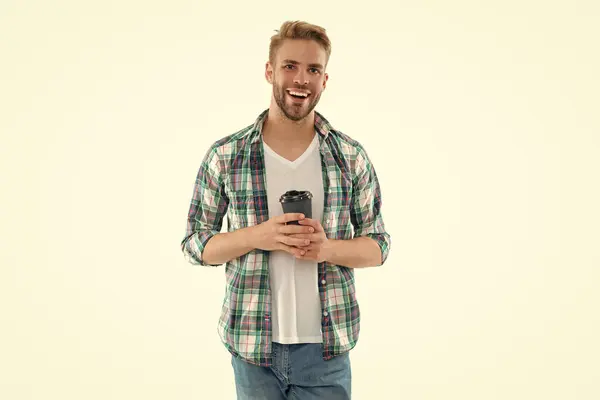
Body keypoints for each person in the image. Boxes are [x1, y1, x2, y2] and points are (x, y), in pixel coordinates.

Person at [181, 20, 391, 400]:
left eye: (313, 70)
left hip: (325, 350)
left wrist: (326, 249)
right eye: (290, 66)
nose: (302, 79)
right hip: (252, 348)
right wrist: (259, 236)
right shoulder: (227, 155)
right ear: (269, 71)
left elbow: (378, 246)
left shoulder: (349, 157)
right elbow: (196, 245)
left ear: (325, 80)